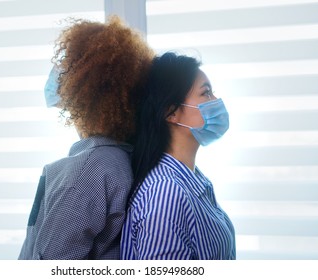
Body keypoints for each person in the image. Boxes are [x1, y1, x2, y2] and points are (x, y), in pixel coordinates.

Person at [18, 16, 154, 260]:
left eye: (67, 64)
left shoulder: (88, 171)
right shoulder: (123, 159)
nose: (58, 73)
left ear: (85, 84)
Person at [121, 52, 236, 260]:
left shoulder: (191, 179)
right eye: (206, 93)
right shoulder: (165, 193)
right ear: (171, 112)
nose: (216, 101)